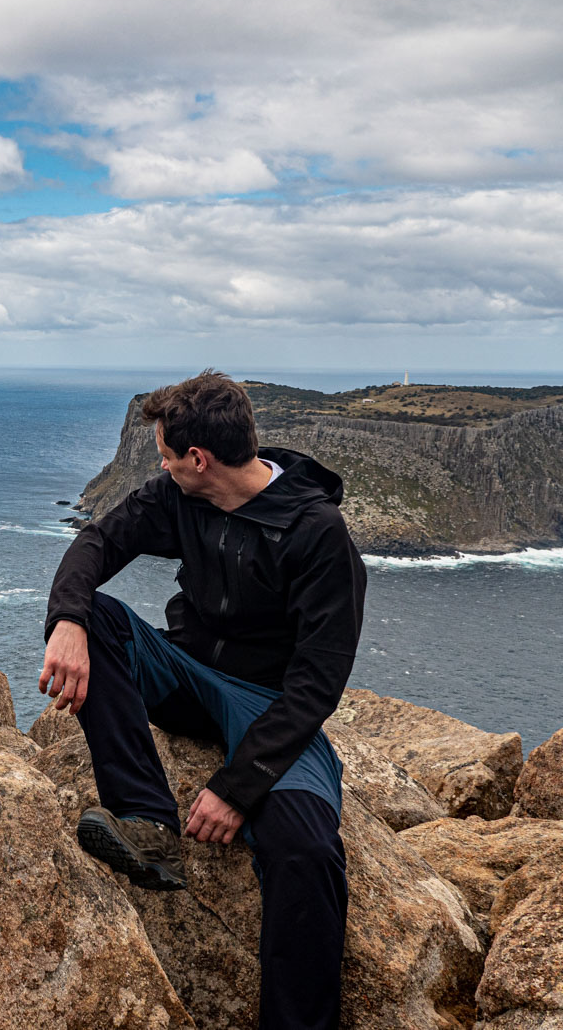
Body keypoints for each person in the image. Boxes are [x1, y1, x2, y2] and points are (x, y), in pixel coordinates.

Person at [39, 369, 366, 1030]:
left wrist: (238, 786)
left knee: (304, 852)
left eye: (164, 454)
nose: (158, 465)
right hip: (186, 671)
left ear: (198, 458)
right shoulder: (179, 497)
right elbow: (99, 541)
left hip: (268, 703)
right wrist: (67, 620)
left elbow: (315, 684)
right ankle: (147, 824)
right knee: (98, 618)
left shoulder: (316, 533)